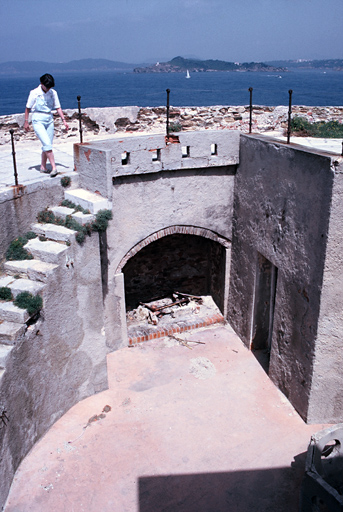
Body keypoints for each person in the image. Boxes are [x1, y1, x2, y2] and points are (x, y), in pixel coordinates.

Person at [24, 73, 69, 177]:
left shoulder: (53, 93)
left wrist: (64, 120)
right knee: (47, 144)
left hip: (49, 119)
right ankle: (54, 167)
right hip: (38, 119)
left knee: (47, 143)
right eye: (47, 86)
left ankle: (43, 167)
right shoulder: (34, 93)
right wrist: (26, 121)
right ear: (41, 84)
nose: (48, 89)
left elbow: (58, 107)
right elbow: (28, 108)